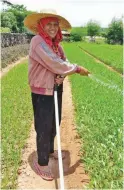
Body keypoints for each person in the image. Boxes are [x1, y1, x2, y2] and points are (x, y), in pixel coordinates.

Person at [24, 10, 90, 181]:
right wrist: (75, 69)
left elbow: (62, 62)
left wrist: (63, 74)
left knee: (55, 121)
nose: (52, 28)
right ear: (41, 26)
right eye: (49, 24)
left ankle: (50, 150)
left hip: (55, 88)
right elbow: (53, 63)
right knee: (44, 125)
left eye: (55, 24)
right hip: (42, 90)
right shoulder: (37, 41)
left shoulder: (56, 45)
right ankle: (42, 162)